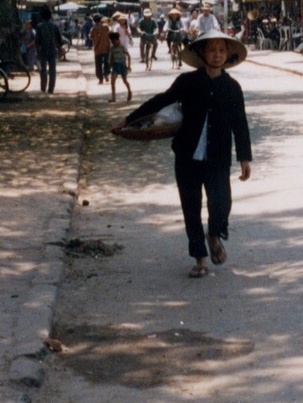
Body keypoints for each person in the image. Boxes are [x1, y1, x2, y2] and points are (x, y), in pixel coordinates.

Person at [115, 30, 253, 279]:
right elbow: (161, 100)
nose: (217, 55)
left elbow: (240, 124)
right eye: (212, 50)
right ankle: (200, 258)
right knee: (191, 208)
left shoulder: (232, 88)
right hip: (187, 156)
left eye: (222, 50)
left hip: (218, 157)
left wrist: (244, 158)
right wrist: (128, 119)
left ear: (228, 54)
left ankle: (214, 233)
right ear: (202, 53)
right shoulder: (187, 82)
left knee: (221, 204)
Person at [32, 7, 63, 93]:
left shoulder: (39, 26)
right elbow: (59, 39)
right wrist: (60, 48)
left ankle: (43, 86)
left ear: (42, 16)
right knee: (52, 70)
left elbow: (37, 40)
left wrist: (38, 51)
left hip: (43, 50)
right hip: (53, 50)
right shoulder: (55, 26)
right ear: (50, 16)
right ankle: (51, 89)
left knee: (43, 69)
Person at [108, 34, 132, 102]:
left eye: (115, 41)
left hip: (122, 65)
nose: (114, 43)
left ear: (118, 40)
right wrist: (109, 67)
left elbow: (128, 56)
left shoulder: (122, 47)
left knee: (125, 80)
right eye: (112, 42)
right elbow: (110, 59)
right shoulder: (112, 49)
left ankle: (129, 91)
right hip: (115, 66)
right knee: (112, 81)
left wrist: (129, 66)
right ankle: (113, 97)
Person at [90, 15, 112, 84]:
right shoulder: (105, 27)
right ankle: (106, 74)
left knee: (98, 64)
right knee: (106, 62)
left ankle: (100, 78)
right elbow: (110, 32)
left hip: (97, 49)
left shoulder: (93, 29)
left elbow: (91, 37)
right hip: (106, 47)